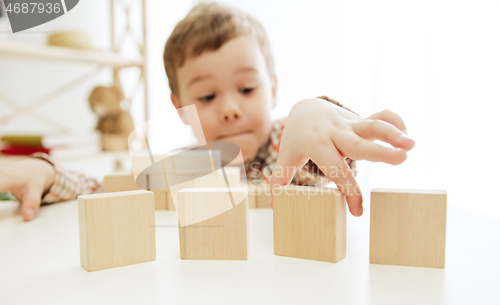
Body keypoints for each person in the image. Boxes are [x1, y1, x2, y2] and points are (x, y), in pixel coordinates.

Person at [0, 2, 414, 222]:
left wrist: (316, 112)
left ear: (273, 89)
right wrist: (49, 173)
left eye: (247, 88)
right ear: (180, 110)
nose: (231, 109)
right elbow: (109, 190)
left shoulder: (290, 142)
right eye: (208, 97)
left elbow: (332, 158)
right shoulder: (189, 166)